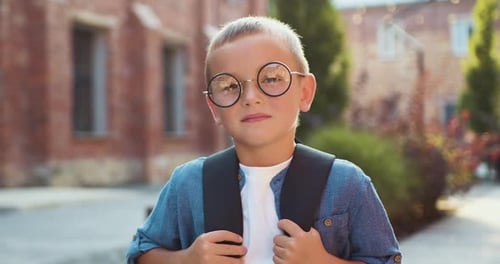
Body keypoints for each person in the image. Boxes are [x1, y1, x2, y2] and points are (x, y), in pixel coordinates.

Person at [126, 16, 402, 264]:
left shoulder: (346, 183)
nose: (251, 97)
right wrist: (186, 260)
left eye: (271, 78)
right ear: (214, 107)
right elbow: (141, 253)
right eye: (230, 86)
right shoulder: (188, 183)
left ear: (305, 92)